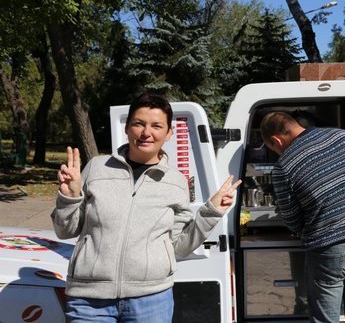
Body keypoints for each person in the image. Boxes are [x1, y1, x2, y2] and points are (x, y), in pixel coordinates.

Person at [51, 92, 241, 323]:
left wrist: (211, 212)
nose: (146, 133)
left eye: (156, 126)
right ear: (127, 128)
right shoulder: (97, 168)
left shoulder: (176, 182)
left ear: (169, 133)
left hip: (151, 301)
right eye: (138, 124)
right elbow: (65, 230)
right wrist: (69, 196)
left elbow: (179, 247)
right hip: (90, 300)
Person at [260, 111, 345, 323]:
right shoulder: (343, 137)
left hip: (329, 248)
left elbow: (293, 221)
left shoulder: (284, 167)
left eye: (273, 148)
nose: (277, 152)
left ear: (276, 139)